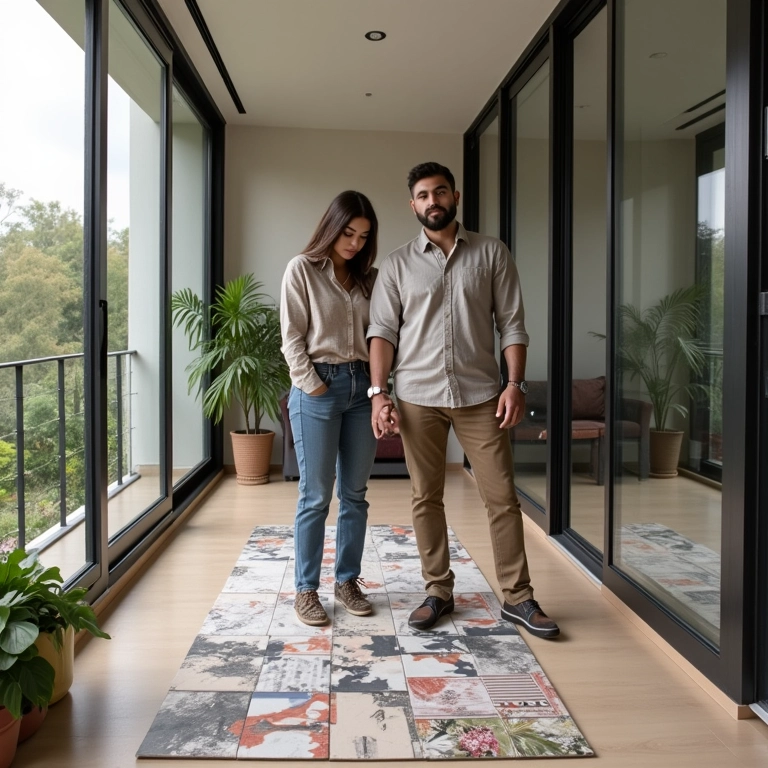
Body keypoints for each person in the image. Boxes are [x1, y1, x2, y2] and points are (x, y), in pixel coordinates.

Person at [366, 162, 559, 639]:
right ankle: (438, 591)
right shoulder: (395, 264)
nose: (432, 201)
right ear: (413, 205)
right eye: (423, 196)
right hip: (417, 397)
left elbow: (512, 325)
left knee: (501, 497)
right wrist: (378, 393)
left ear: (454, 196)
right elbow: (382, 333)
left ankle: (517, 597)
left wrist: (515, 384)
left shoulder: (492, 253)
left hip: (480, 397)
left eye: (439, 192)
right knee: (425, 498)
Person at [280, 190, 379, 626]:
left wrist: (378, 387)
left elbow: (384, 334)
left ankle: (347, 581)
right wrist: (314, 387)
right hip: (321, 386)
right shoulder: (302, 269)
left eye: (363, 236)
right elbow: (292, 337)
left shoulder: (370, 279)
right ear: (331, 226)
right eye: (348, 232)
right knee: (316, 495)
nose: (355, 243)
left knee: (355, 495)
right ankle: (306, 591)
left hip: (364, 388)